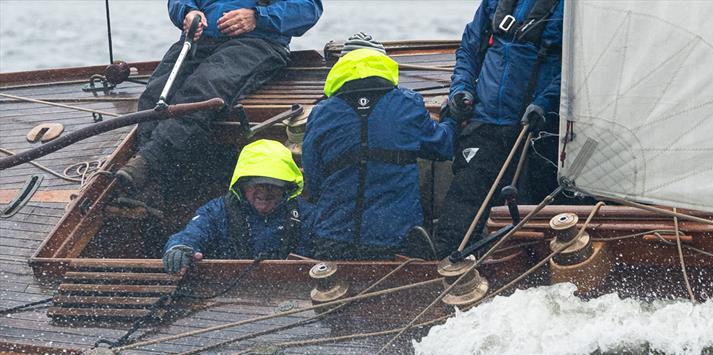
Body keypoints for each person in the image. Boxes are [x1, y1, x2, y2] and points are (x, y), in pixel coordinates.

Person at [115, 0, 323, 196]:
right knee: (154, 94)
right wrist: (187, 12)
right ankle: (150, 179)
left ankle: (147, 166)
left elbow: (308, 9)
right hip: (198, 40)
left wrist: (257, 17)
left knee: (202, 90)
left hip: (257, 42)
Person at [301, 34, 458, 260]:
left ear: (341, 67)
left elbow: (313, 183)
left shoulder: (321, 113)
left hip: (333, 240)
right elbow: (443, 146)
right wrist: (450, 118)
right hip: (395, 241)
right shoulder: (407, 103)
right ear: (382, 63)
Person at [433, 0, 564, 257]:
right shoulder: (493, 3)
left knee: (530, 227)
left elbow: (577, 66)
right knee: (455, 224)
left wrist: (544, 103)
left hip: (535, 132)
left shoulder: (569, 9)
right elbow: (469, 50)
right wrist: (461, 90)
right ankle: (447, 269)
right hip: (486, 124)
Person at [162, 139, 304, 272]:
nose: (264, 191)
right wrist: (179, 249)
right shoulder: (217, 211)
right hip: (224, 289)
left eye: (273, 186)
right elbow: (191, 235)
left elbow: (323, 240)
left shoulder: (303, 213)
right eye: (256, 184)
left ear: (286, 189)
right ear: (242, 186)